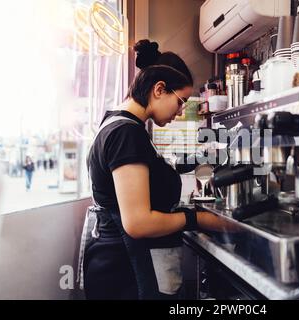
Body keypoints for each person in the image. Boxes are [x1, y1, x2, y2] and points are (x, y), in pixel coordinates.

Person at [82, 40, 234, 300]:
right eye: (181, 101)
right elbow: (138, 223)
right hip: (127, 273)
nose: (180, 111)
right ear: (159, 89)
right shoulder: (126, 133)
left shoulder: (118, 124)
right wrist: (196, 219)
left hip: (119, 265)